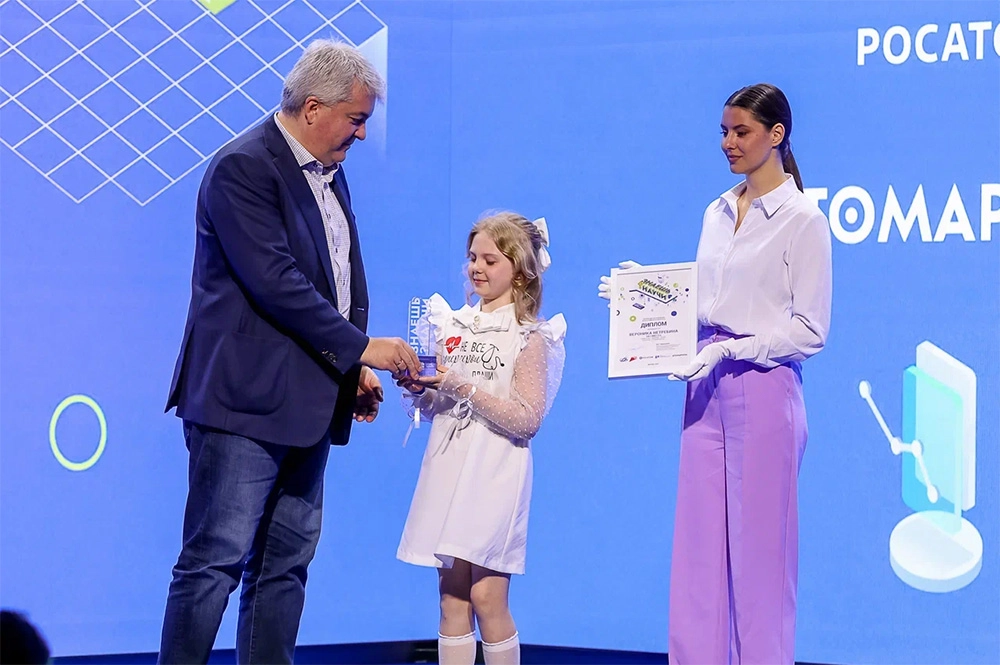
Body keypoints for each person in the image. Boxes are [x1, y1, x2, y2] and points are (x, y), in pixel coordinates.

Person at [159, 40, 420, 665]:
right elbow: (275, 281)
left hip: (308, 404)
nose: (361, 134)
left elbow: (336, 279)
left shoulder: (329, 171)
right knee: (213, 562)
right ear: (312, 108)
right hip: (242, 406)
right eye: (356, 119)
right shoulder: (243, 168)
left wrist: (347, 370)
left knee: (285, 566)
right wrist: (361, 348)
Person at [599, 83, 832, 664]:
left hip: (764, 385)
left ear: (776, 135)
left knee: (761, 565)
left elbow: (810, 330)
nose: (728, 142)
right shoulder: (717, 209)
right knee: (698, 555)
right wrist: (642, 294)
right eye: (724, 132)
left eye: (741, 132)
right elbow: (705, 301)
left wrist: (734, 351)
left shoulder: (803, 219)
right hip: (704, 388)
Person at [395, 213, 566, 665]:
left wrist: (459, 385)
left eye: (490, 260)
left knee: (487, 595)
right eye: (473, 257)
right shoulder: (451, 325)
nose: (477, 267)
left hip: (493, 472)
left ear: (520, 270)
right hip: (448, 466)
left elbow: (527, 419)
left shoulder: (530, 337)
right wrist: (420, 390)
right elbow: (437, 406)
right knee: (452, 598)